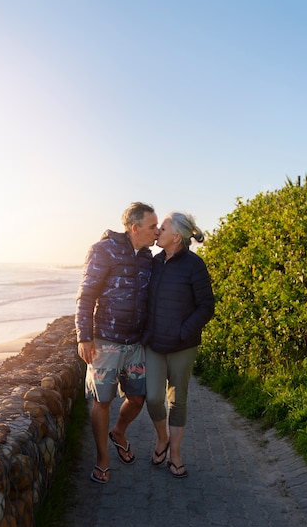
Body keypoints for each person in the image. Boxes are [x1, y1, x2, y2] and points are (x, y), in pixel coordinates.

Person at [76, 202, 159, 484]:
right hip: (105, 343)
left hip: (135, 344)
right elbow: (86, 295)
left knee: (137, 398)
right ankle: (103, 459)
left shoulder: (149, 257)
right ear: (135, 228)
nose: (157, 231)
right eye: (152, 226)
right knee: (103, 401)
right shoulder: (104, 250)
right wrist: (84, 337)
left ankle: (119, 432)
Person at [142, 211, 214, 478]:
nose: (157, 232)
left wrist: (184, 331)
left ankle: (175, 454)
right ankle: (163, 438)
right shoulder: (154, 262)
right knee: (153, 398)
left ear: (177, 236)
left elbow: (207, 307)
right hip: (155, 344)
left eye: (162, 228)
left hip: (183, 345)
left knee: (178, 401)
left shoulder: (195, 265)